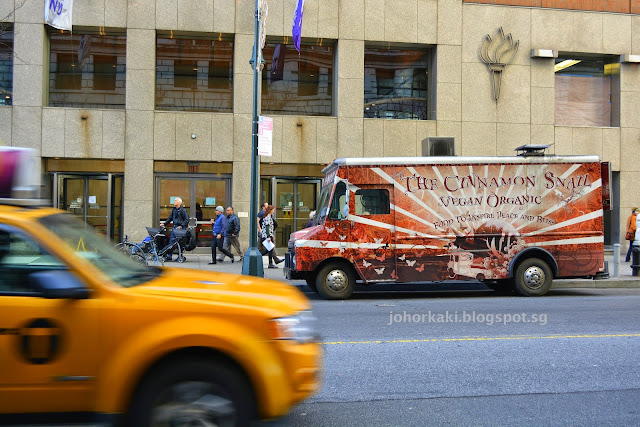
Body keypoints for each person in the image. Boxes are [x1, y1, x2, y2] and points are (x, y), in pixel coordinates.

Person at [162, 197, 189, 261]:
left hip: (180, 229)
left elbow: (186, 219)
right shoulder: (174, 210)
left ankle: (180, 255)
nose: (174, 201)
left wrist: (181, 226)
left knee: (180, 243)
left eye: (175, 200)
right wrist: (165, 223)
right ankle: (169, 255)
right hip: (175, 228)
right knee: (171, 242)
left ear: (179, 202)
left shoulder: (183, 210)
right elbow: (170, 218)